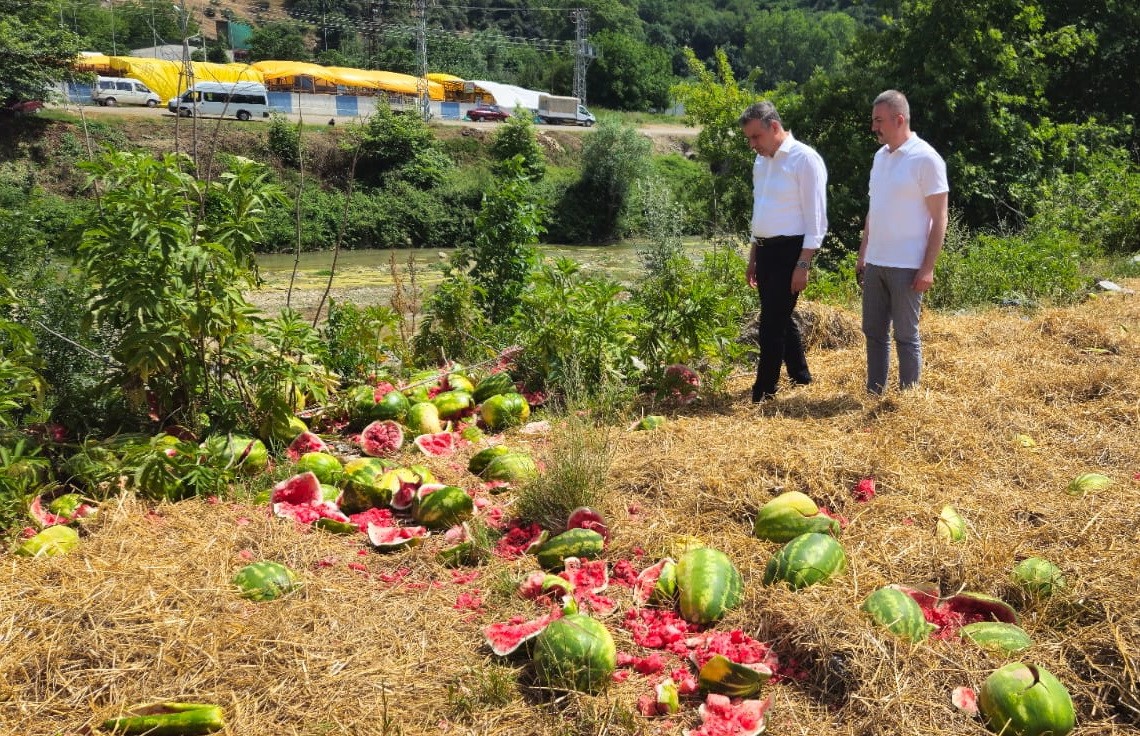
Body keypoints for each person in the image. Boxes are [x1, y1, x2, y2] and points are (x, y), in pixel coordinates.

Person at [857, 89, 948, 395]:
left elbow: (940, 218)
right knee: (873, 333)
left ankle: (908, 400)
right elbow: (874, 209)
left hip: (908, 266)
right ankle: (875, 393)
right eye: (873, 120)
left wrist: (927, 268)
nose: (874, 127)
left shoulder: (926, 158)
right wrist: (863, 254)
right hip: (876, 262)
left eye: (879, 120)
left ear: (899, 119)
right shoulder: (880, 158)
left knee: (906, 336)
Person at [738, 101, 828, 402]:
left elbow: (817, 220)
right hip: (764, 251)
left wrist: (803, 264)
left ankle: (763, 392)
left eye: (755, 137)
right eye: (749, 139)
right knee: (778, 315)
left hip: (790, 251)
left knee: (771, 325)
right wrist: (753, 256)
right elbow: (759, 211)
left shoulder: (805, 160)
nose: (752, 145)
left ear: (774, 127)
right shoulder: (761, 162)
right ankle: (800, 376)